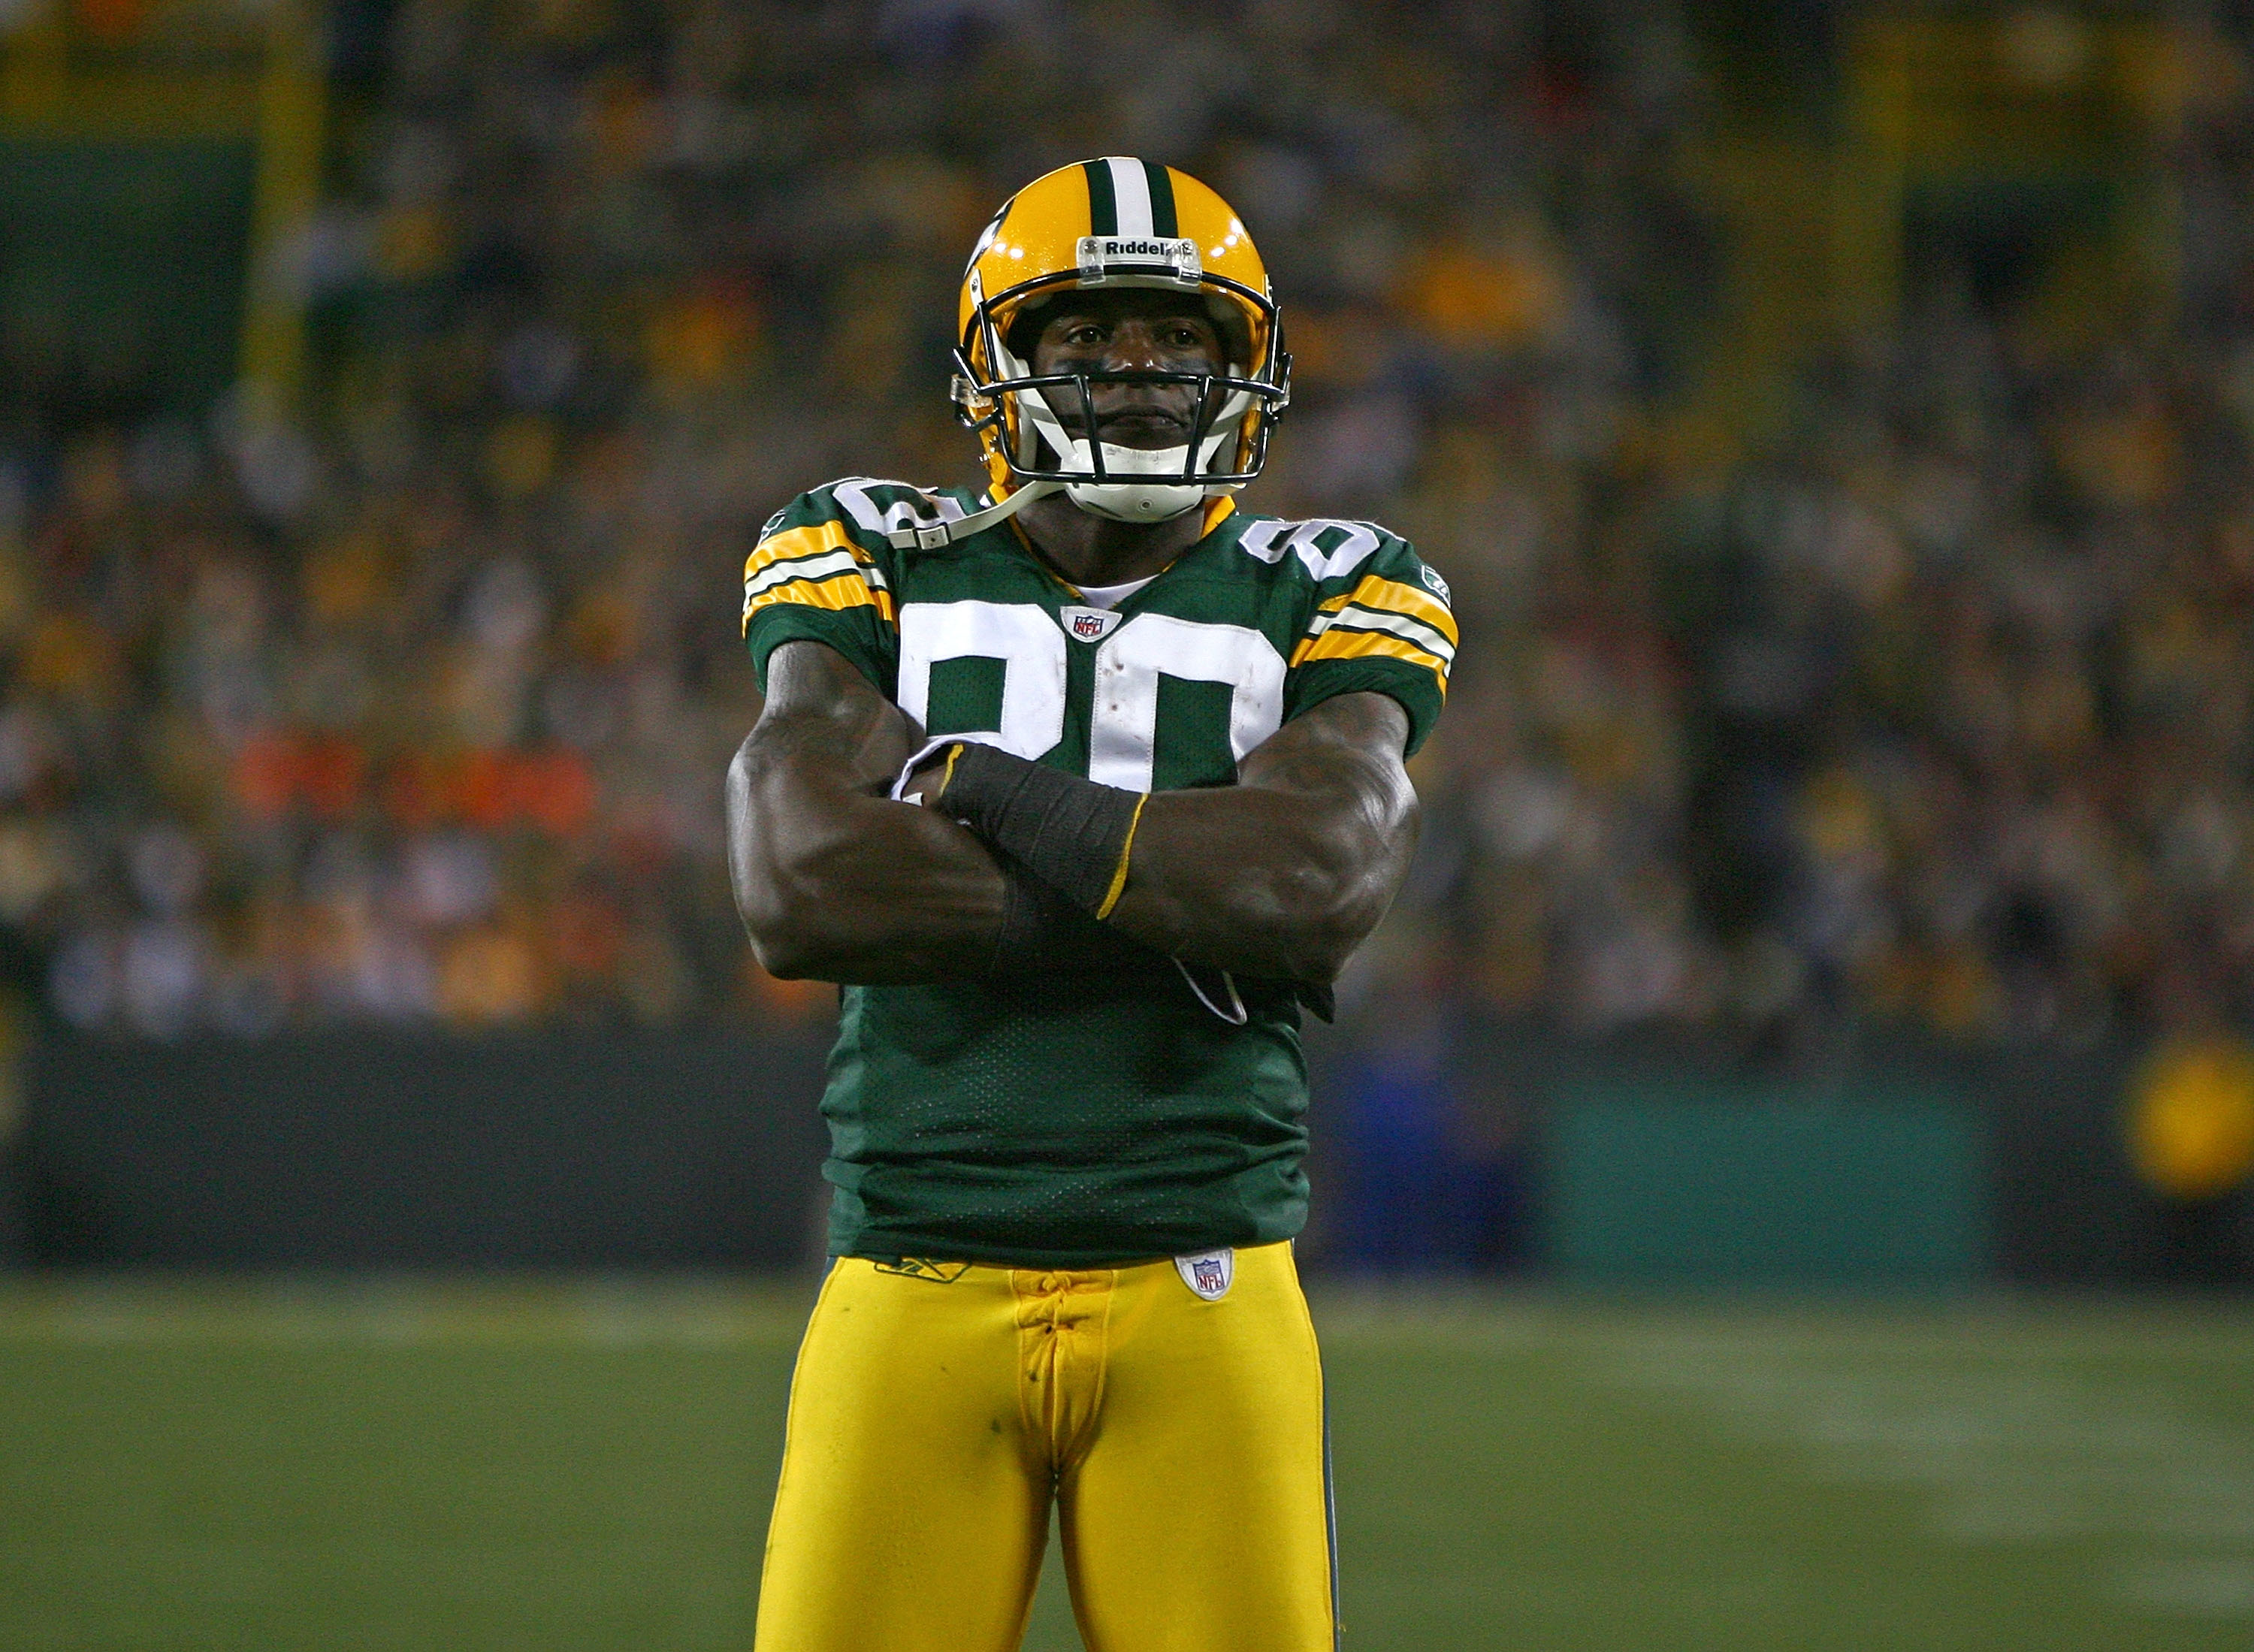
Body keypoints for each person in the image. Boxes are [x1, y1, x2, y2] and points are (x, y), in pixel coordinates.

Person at [727, 157, 1455, 1652]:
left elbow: (1314, 882)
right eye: (1087, 338)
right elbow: (799, 883)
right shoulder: (872, 547)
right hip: (916, 1260)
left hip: (1202, 1270)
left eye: (1180, 340)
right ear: (1000, 363)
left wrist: (990, 789)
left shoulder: (1329, 580)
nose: (1138, 374)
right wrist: (1189, 909)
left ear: (1242, 364)